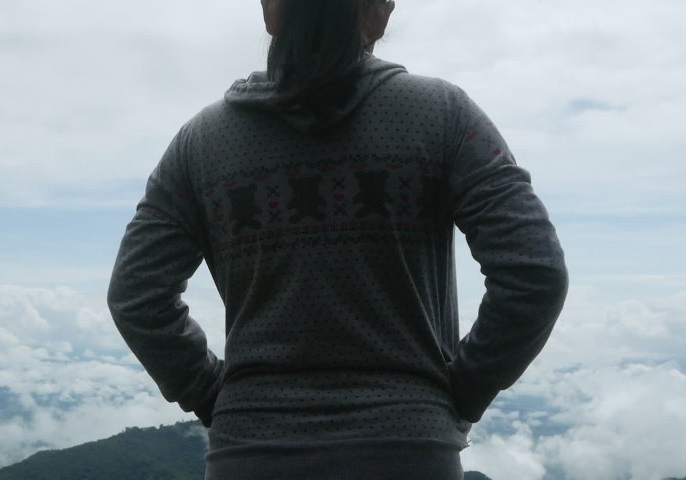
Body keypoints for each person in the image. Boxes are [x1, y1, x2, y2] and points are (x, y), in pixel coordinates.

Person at [107, 0, 569, 478]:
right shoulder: (443, 116)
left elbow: (136, 295)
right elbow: (534, 271)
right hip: (411, 452)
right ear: (378, 14)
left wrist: (218, 398)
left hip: (249, 454)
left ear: (270, 11)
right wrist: (460, 393)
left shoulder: (200, 143)